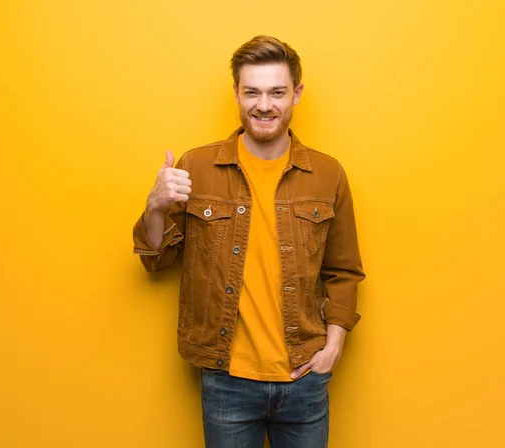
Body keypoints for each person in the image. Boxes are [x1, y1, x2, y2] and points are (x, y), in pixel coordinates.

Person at [132, 35, 365, 448]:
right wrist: (153, 206)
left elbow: (343, 270)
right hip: (227, 380)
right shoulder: (197, 166)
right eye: (252, 92)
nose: (264, 105)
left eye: (277, 92)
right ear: (236, 93)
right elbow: (156, 259)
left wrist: (333, 347)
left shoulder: (328, 174)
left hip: (304, 378)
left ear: (296, 93)